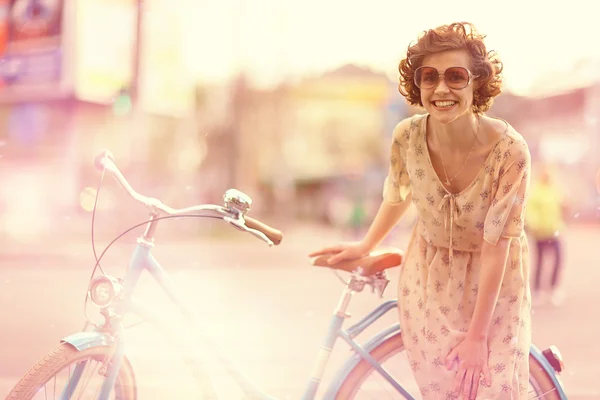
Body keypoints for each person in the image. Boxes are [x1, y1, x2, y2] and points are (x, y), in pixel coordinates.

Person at [310, 22, 532, 399]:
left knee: (492, 385)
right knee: (446, 388)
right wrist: (364, 246)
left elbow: (497, 244)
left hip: (495, 274)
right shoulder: (407, 137)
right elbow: (397, 195)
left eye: (456, 76)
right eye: (429, 77)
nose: (441, 89)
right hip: (429, 274)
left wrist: (478, 336)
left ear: (477, 83)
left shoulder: (511, 152)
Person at [525, 164, 566, 306]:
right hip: (540, 233)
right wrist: (533, 225)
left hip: (554, 231)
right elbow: (529, 210)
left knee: (559, 260)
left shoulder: (554, 189)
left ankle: (553, 289)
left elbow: (560, 207)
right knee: (540, 261)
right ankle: (537, 291)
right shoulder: (535, 190)